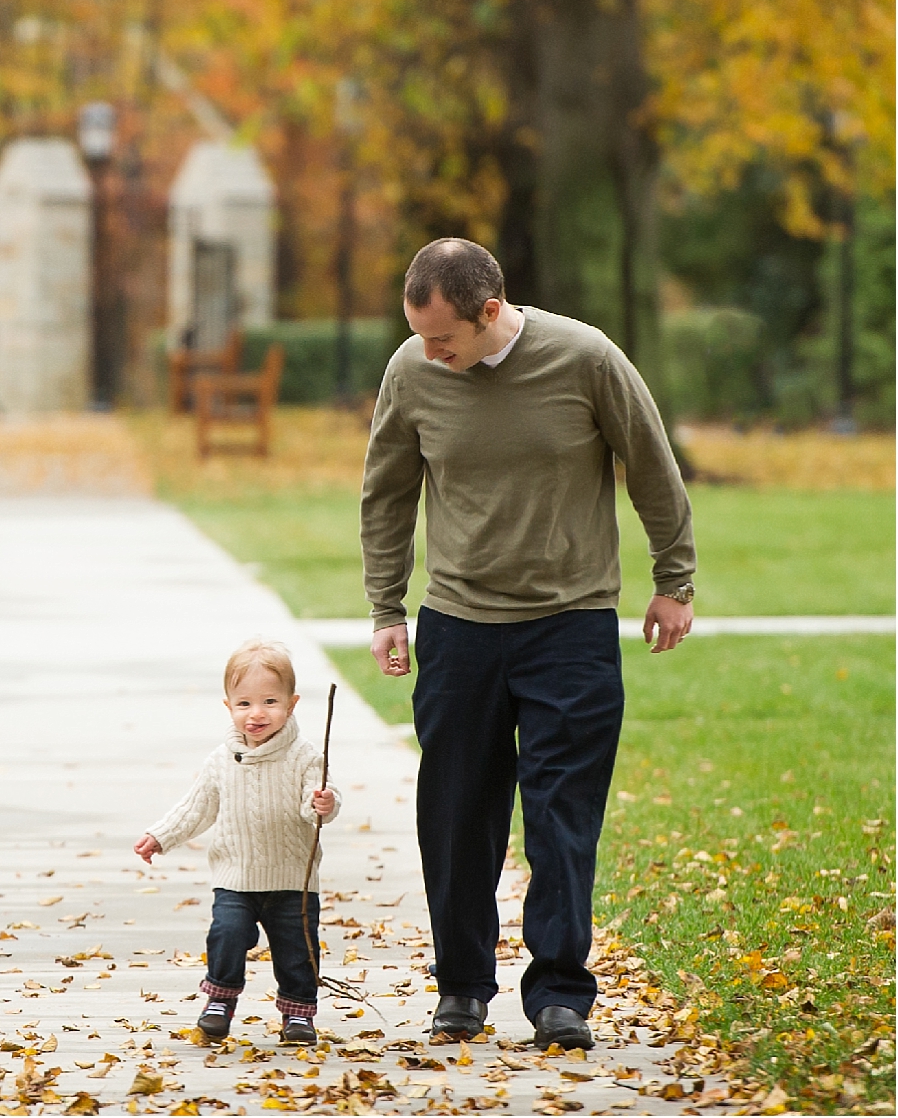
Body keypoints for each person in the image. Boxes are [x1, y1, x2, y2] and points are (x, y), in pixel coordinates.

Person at [361, 238, 696, 1051]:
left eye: (444, 338)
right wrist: (386, 607)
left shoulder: (585, 358)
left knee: (559, 816)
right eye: (420, 336)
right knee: (455, 816)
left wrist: (673, 579)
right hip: (459, 627)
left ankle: (559, 995)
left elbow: (651, 465)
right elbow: (387, 489)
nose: (429, 354)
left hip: (570, 626)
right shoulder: (411, 371)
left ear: (489, 311)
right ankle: (461, 990)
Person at [134, 638, 343, 1045]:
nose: (257, 713)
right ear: (228, 706)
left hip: (291, 879)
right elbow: (196, 807)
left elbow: (319, 801)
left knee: (298, 950)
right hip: (236, 876)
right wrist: (161, 835)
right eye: (244, 704)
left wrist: (322, 803)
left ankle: (298, 1014)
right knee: (226, 935)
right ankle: (219, 1001)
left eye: (269, 701)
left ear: (292, 703)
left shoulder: (305, 757)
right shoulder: (221, 760)